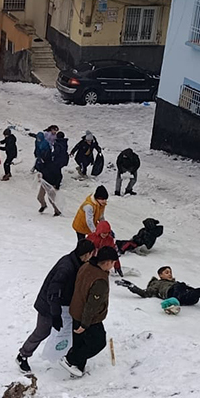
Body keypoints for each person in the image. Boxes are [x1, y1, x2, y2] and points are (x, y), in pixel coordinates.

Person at [16, 238, 95, 373]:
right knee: (42, 331)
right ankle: (22, 355)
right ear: (86, 254)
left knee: (67, 332)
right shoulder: (67, 267)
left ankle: (68, 358)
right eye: (92, 253)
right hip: (48, 305)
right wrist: (55, 314)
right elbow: (53, 292)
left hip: (61, 306)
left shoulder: (77, 262)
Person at [64, 246, 120, 377]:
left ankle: (77, 369)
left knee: (79, 342)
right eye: (112, 263)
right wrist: (85, 324)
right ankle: (70, 360)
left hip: (75, 310)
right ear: (106, 262)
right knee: (98, 342)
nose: (112, 266)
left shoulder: (87, 266)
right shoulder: (99, 280)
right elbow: (92, 305)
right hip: (89, 317)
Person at [118, 266, 200, 313]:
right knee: (179, 285)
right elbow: (145, 293)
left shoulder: (177, 284)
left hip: (185, 297)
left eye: (170, 272)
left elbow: (195, 290)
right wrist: (132, 286)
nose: (170, 274)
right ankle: (172, 303)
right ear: (160, 275)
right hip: (171, 295)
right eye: (167, 272)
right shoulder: (157, 283)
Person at [37, 147, 64, 216]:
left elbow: (59, 176)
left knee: (51, 199)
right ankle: (43, 205)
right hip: (44, 183)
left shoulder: (54, 165)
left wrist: (57, 185)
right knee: (40, 197)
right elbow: (40, 170)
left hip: (52, 184)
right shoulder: (43, 165)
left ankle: (57, 211)